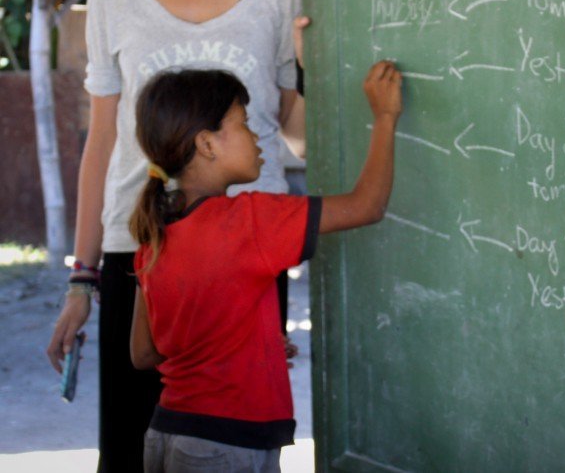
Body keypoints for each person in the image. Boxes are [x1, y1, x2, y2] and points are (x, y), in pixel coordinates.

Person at [45, 0, 304, 471]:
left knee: (240, 447)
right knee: (134, 447)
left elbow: (295, 128)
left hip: (247, 249)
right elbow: (102, 139)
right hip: (140, 246)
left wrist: (315, 73)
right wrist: (82, 278)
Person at [129, 63, 400, 472]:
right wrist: (385, 117)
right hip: (225, 443)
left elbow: (144, 353)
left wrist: (251, 347)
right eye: (244, 124)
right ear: (207, 144)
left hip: (167, 433)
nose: (257, 138)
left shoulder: (155, 233)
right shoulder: (250, 221)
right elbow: (367, 205)